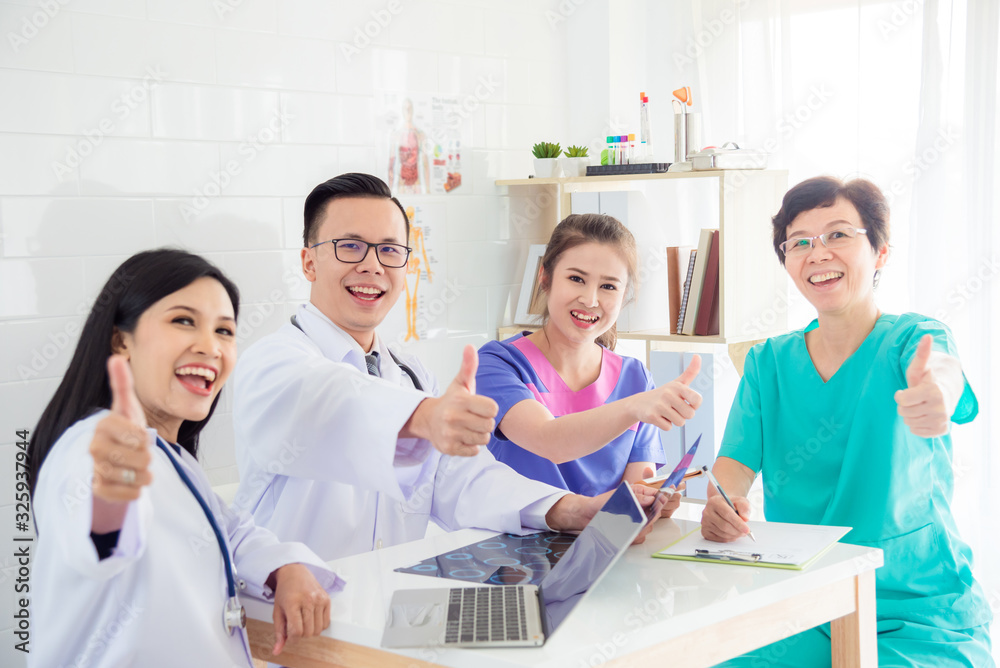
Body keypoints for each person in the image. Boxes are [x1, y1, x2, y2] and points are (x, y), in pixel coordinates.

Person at [230, 173, 660, 562]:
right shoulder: (273, 362)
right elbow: (336, 398)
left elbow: (464, 481)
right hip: (290, 623)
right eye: (350, 246)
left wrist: (573, 510)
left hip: (384, 609)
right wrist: (426, 416)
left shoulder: (410, 376)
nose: (373, 265)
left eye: (390, 250)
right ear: (309, 262)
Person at [701, 177, 993, 667]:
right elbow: (733, 465)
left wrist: (934, 394)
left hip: (917, 610)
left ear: (880, 253)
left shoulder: (912, 339)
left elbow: (941, 372)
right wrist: (722, 506)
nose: (818, 253)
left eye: (838, 235)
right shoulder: (768, 363)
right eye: (799, 242)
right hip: (805, 604)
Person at [27, 250, 341, 668]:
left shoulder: (172, 457)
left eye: (224, 331)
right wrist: (111, 504)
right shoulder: (92, 448)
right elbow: (99, 540)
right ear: (122, 340)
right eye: (183, 321)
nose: (210, 346)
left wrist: (286, 568)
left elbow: (231, 533)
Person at [475, 213, 702, 508]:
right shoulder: (498, 364)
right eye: (576, 279)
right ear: (545, 278)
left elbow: (629, 503)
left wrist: (652, 505)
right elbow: (549, 441)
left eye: (608, 286)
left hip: (603, 547)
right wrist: (634, 407)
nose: (590, 299)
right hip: (512, 547)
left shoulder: (636, 378)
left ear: (624, 296)